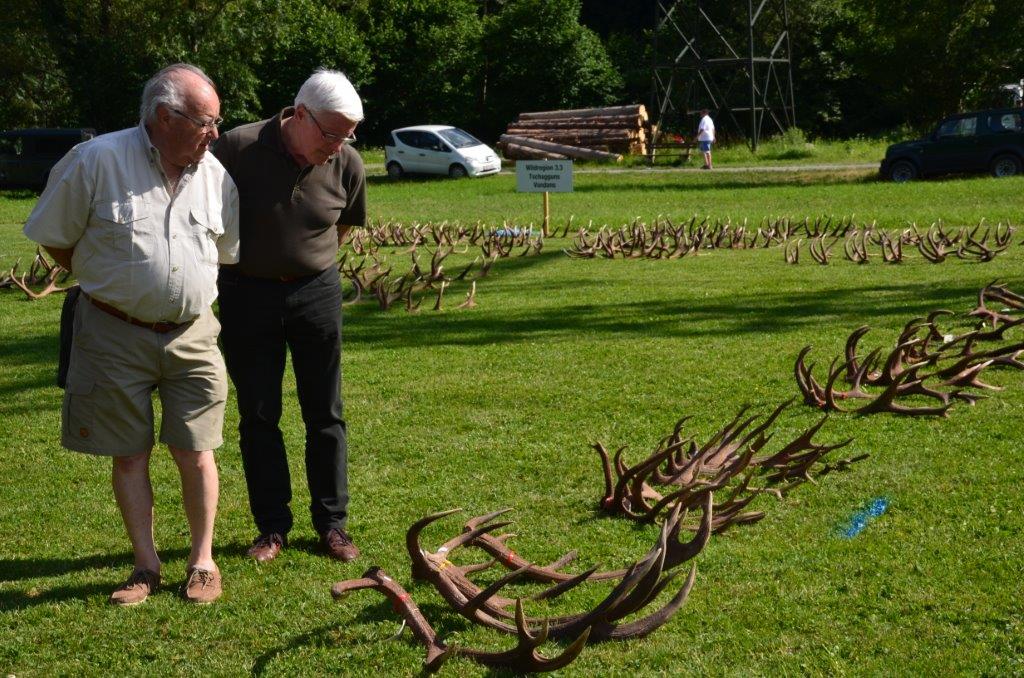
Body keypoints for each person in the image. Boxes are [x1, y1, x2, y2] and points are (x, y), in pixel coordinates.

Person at [22, 63, 239, 605]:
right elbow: (54, 237)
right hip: (113, 333)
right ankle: (145, 565)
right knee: (129, 453)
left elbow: (224, 253)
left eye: (217, 122)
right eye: (205, 122)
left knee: (197, 449)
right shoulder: (95, 160)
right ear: (165, 116)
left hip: (193, 332)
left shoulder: (216, 175)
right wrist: (112, 281)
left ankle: (203, 562)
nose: (214, 134)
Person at [213, 69, 366, 564]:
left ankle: (332, 525)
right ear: (300, 115)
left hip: (316, 292)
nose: (339, 145)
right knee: (259, 413)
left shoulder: (347, 162)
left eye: (348, 135)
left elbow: (342, 226)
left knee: (325, 411)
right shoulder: (236, 148)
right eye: (332, 133)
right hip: (246, 293)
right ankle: (272, 527)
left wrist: (303, 262)